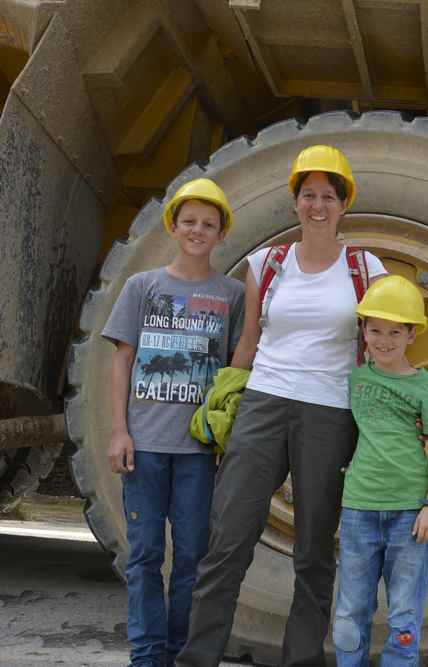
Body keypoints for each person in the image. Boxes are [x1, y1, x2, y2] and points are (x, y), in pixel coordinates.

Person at [176, 145, 387, 667]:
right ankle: (196, 658)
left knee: (314, 551)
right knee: (227, 539)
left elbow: (382, 346)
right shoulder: (266, 264)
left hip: (330, 414)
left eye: (328, 196)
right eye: (308, 195)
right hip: (264, 405)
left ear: (343, 205)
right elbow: (248, 341)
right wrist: (225, 402)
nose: (318, 205)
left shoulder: (365, 268)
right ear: (296, 202)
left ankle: (302, 660)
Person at [103, 178, 245, 667]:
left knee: (190, 559)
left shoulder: (232, 294)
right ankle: (146, 657)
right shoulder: (142, 287)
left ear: (222, 233)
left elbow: (234, 371)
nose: (197, 231)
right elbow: (122, 360)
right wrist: (120, 431)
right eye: (189, 222)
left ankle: (181, 652)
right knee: (143, 557)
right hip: (143, 447)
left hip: (198, 454)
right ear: (173, 226)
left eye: (208, 224)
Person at [333, 275, 428, 667]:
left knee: (404, 614)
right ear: (363, 330)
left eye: (395, 332)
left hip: (409, 514)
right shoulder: (354, 380)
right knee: (350, 613)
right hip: (358, 511)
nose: (384, 340)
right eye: (375, 329)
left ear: (412, 335)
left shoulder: (425, 386)